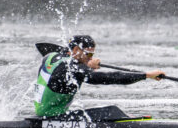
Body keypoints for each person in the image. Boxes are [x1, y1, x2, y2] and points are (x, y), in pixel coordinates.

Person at [34, 35, 164, 117]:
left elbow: (69, 61)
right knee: (112, 112)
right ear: (75, 50)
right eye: (89, 55)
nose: (91, 57)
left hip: (41, 112)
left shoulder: (51, 56)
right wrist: (146, 75)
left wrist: (86, 65)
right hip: (53, 117)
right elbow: (110, 78)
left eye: (92, 55)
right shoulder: (74, 69)